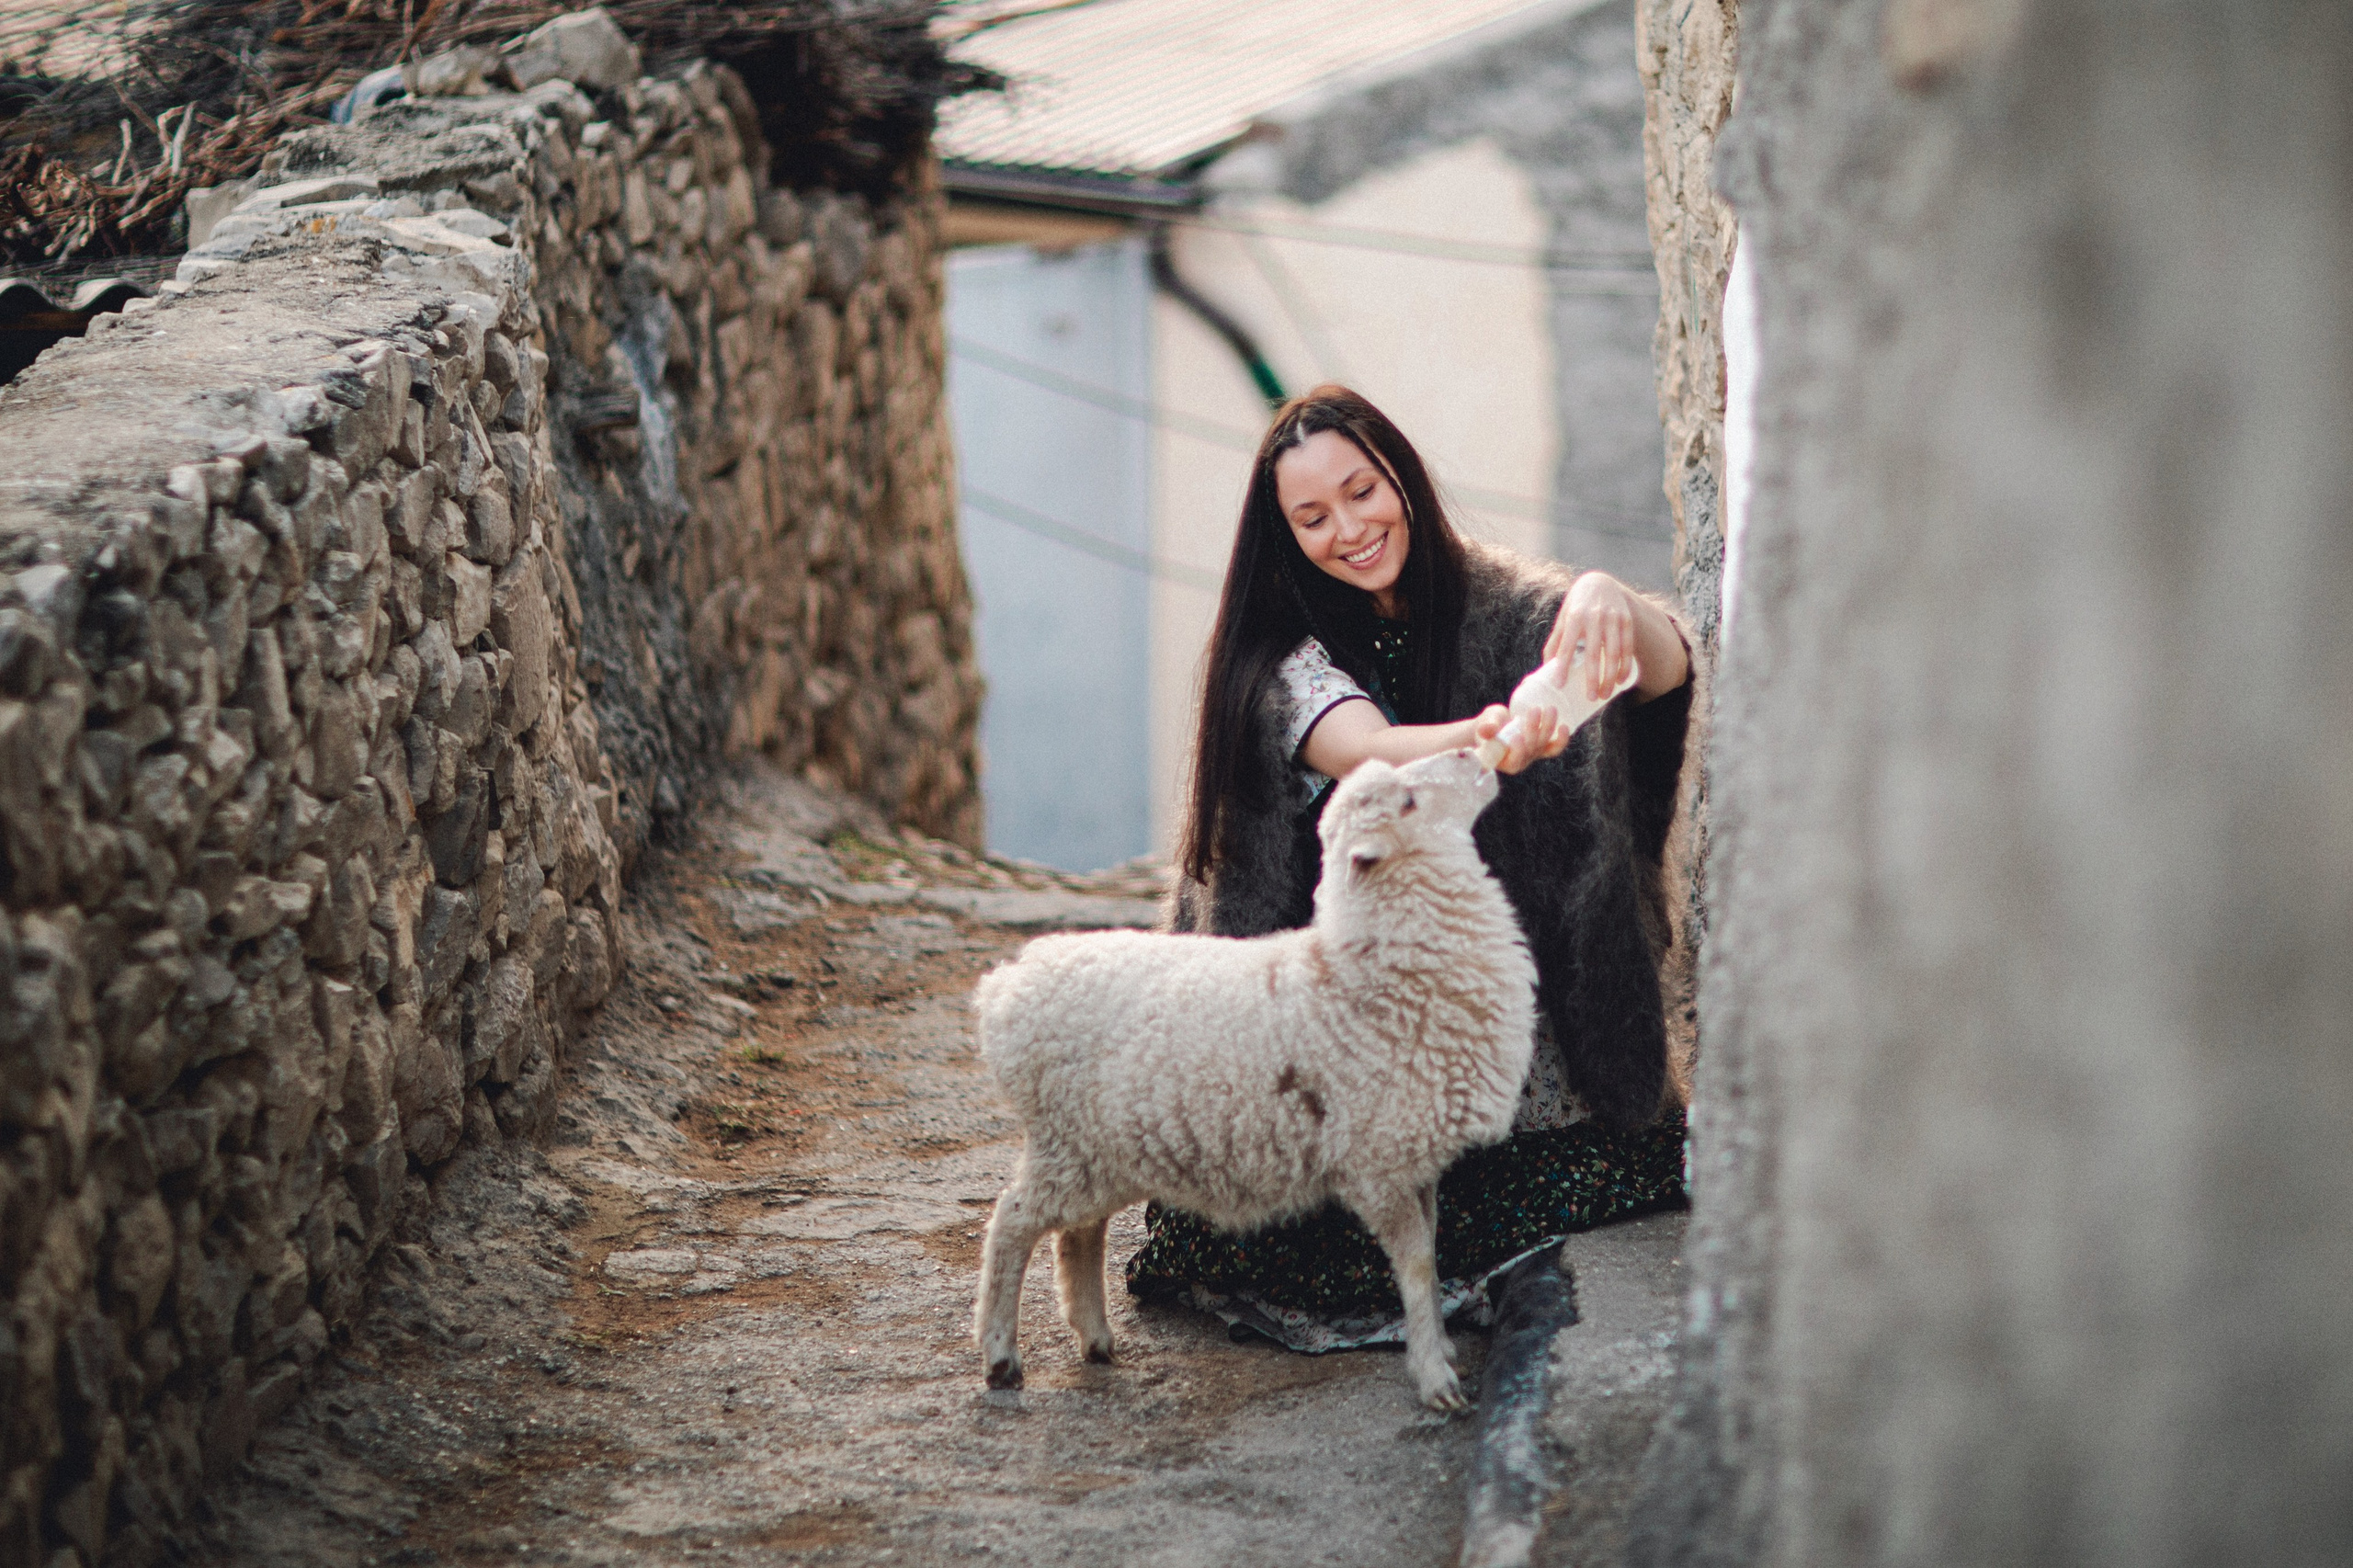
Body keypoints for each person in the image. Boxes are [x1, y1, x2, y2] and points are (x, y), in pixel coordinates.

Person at [1124, 385, 1697, 1353]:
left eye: (1362, 491)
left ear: (1400, 477)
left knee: (1601, 1165)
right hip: (1345, 1013)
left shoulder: (1495, 602)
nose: (1349, 529)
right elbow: (1366, 749)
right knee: (1309, 1228)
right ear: (1284, 535)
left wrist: (1607, 598)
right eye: (1313, 516)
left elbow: (1666, 668)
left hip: (1481, 1001)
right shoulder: (1277, 661)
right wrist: (1487, 735)